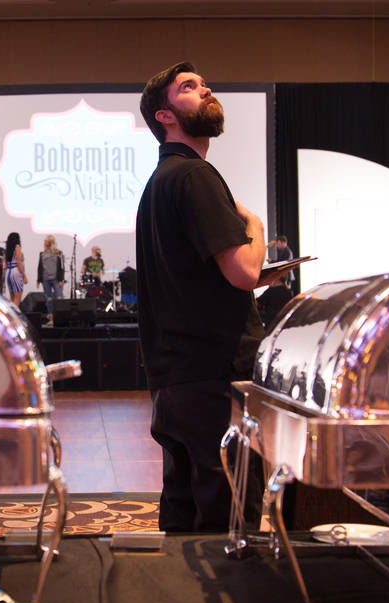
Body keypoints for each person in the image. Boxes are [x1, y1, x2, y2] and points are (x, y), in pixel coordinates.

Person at [136, 61, 267, 532]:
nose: (206, 90)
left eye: (204, 84)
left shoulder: (160, 182)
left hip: (177, 379)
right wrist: (255, 226)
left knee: (184, 518)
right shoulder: (195, 176)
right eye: (189, 88)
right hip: (214, 377)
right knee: (230, 526)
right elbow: (244, 272)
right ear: (165, 116)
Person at [37, 235, 66, 321]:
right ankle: (51, 317)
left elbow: (62, 268)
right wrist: (38, 280)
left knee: (59, 297)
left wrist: (61, 279)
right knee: (48, 299)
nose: (44, 242)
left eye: (45, 241)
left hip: (56, 279)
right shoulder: (42, 254)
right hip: (45, 279)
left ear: (50, 242)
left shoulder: (59, 253)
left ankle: (61, 317)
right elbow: (40, 267)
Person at [4, 232, 27, 306]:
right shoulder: (17, 247)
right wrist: (24, 275)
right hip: (16, 271)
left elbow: (5, 265)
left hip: (9, 272)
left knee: (12, 298)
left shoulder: (7, 249)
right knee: (18, 298)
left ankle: (10, 312)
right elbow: (19, 262)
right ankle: (14, 313)